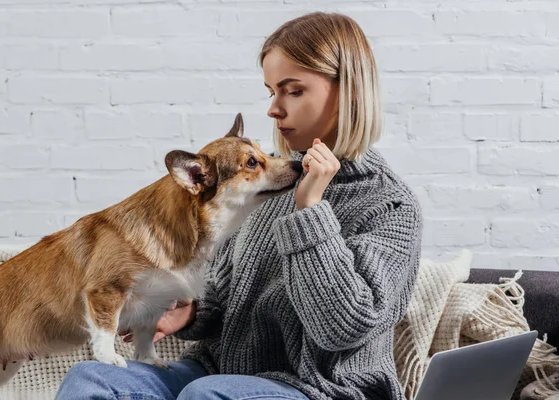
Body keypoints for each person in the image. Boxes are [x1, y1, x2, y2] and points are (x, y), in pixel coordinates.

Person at [55, 11, 423, 400]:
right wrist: (191, 312)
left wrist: (310, 210)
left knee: (208, 395)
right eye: (271, 92)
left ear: (347, 92)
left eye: (293, 91)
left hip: (322, 389)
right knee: (91, 378)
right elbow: (226, 288)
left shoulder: (391, 207)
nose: (274, 109)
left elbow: (342, 328)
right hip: (217, 371)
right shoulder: (263, 188)